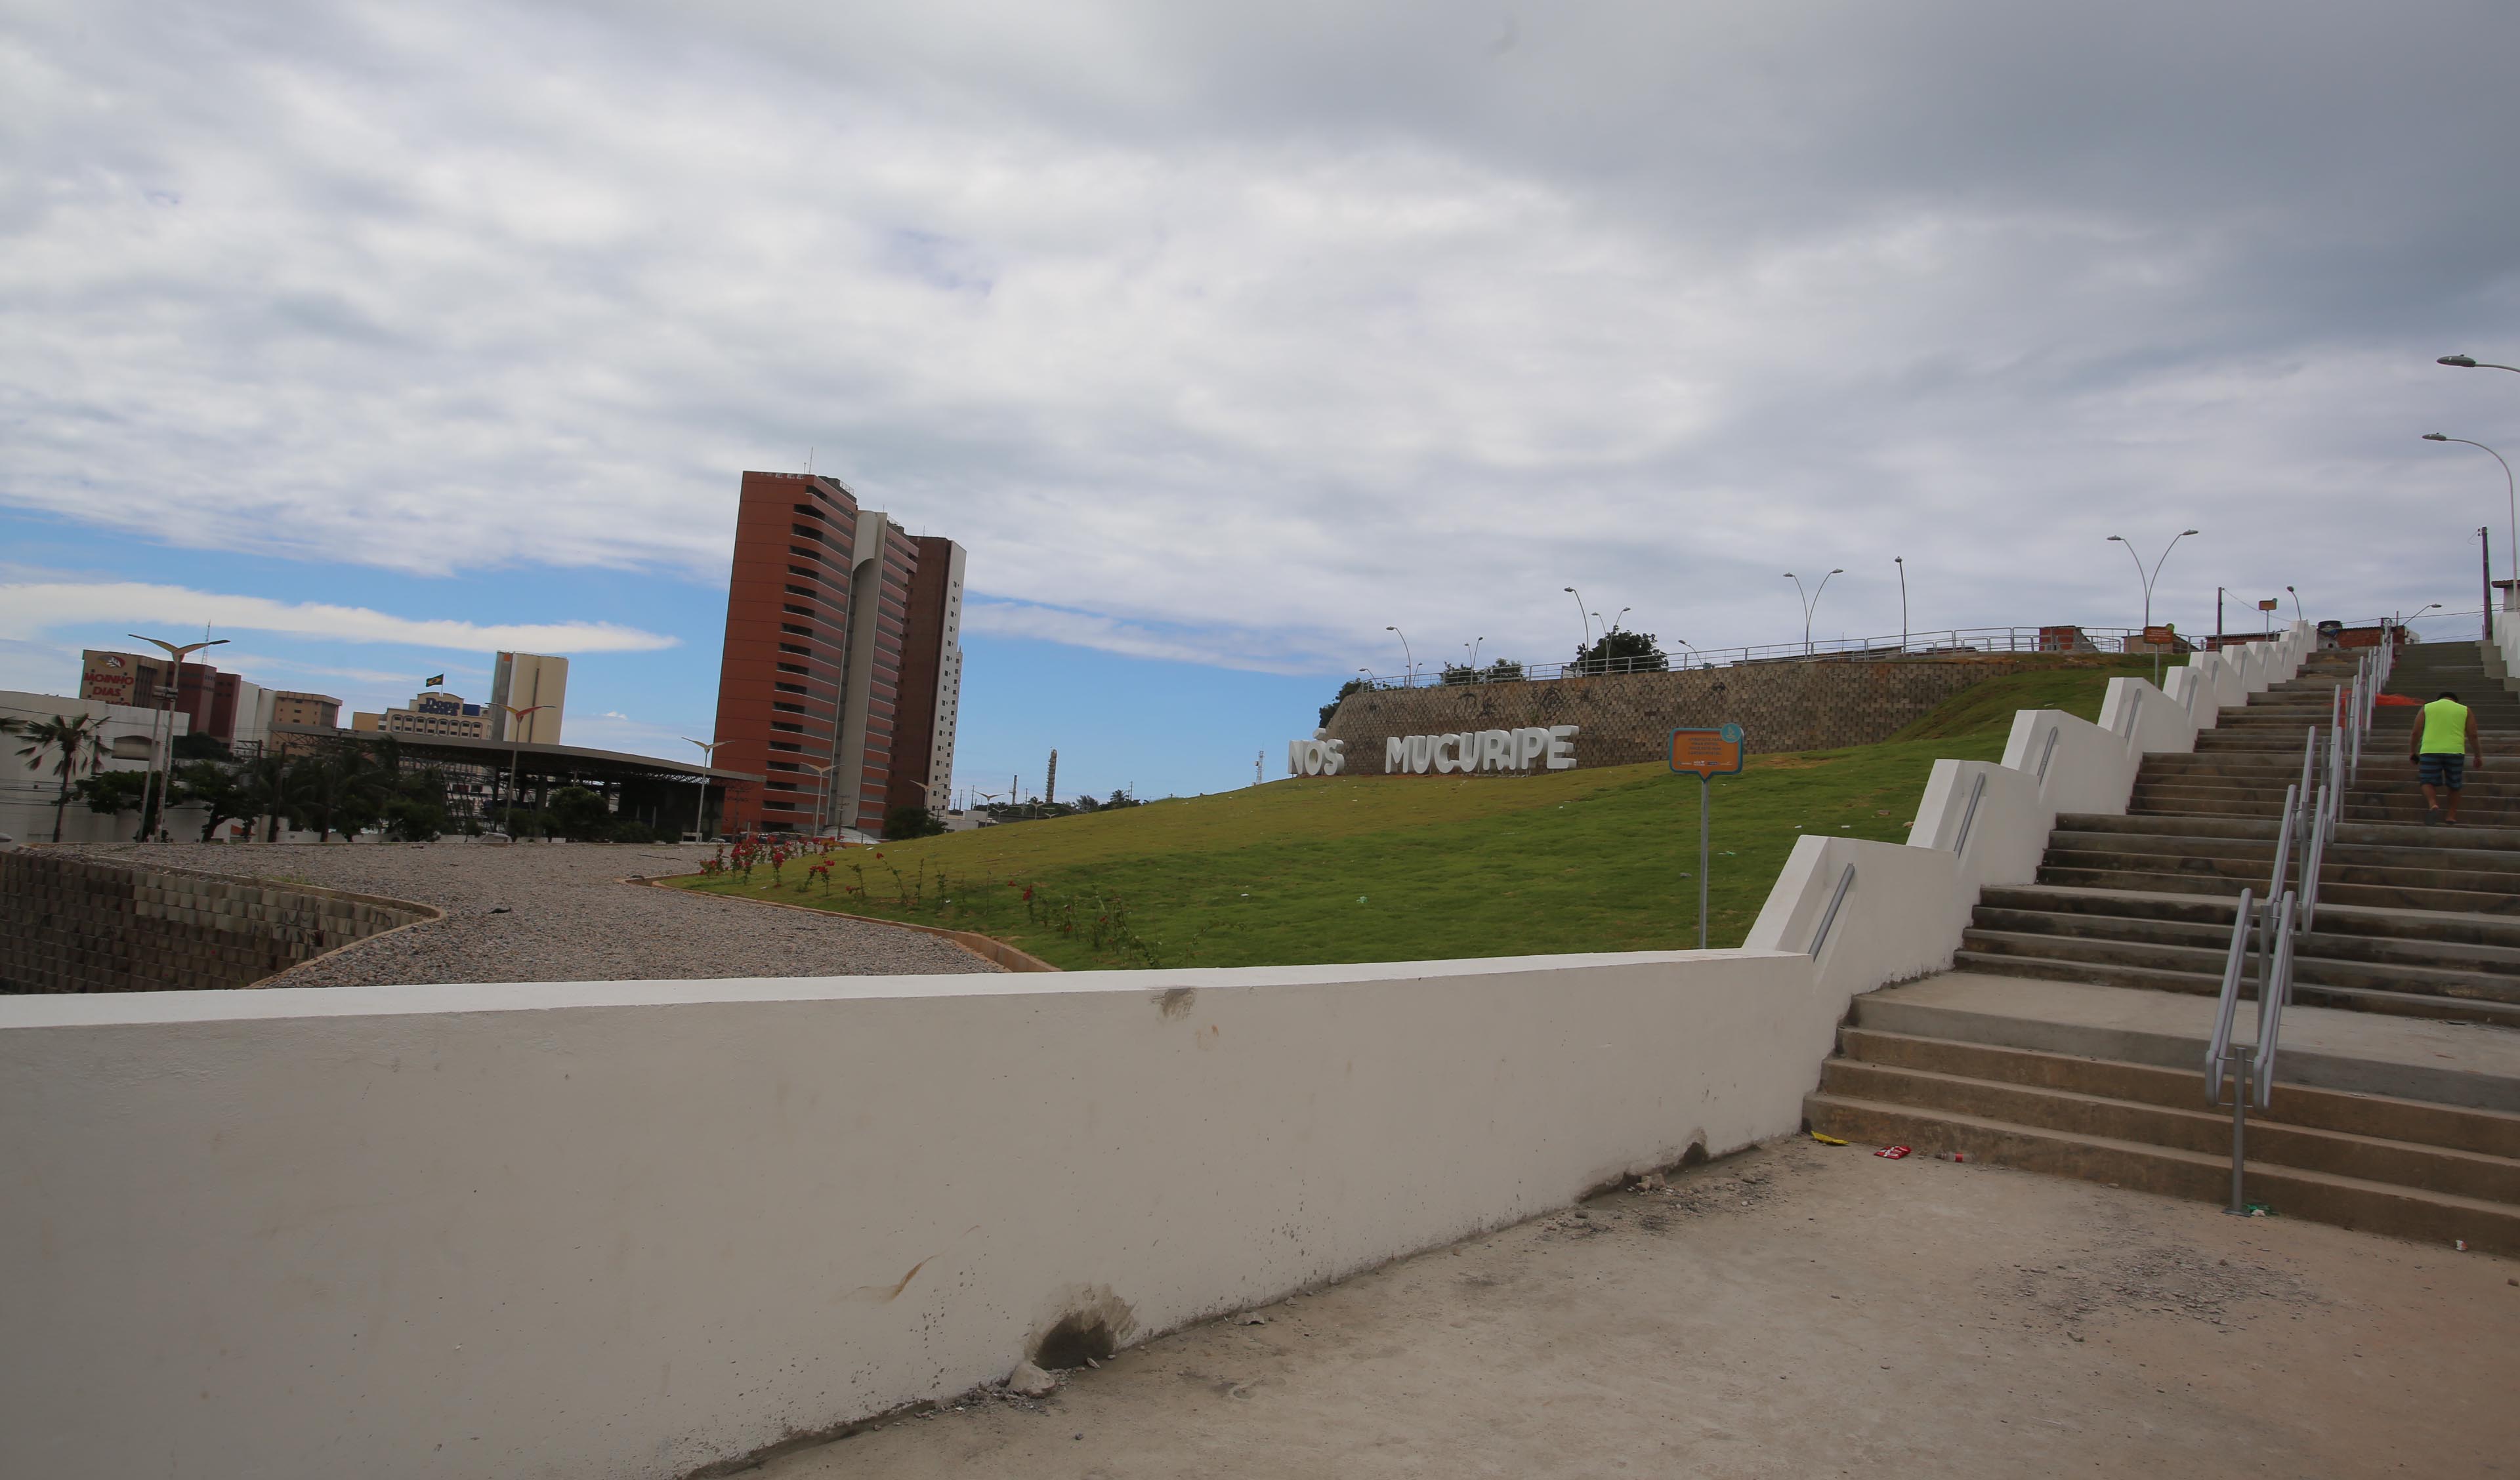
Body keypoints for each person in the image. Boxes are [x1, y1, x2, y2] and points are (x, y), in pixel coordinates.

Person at [2410, 689, 2484, 825]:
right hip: (2455, 752)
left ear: (2439, 699)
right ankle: (2451, 816)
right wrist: (2478, 755)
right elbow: (2473, 735)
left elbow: (2416, 732)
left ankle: (2433, 804)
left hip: (2430, 750)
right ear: (2455, 701)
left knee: (2427, 780)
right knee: (2454, 784)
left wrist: (2412, 751)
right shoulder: (2465, 710)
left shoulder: (2427, 708)